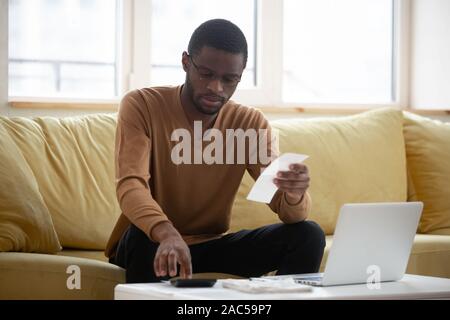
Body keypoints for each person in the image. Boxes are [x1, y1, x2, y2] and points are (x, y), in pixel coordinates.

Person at [106, 19, 325, 283]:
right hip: (151, 241)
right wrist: (166, 232)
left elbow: (291, 214)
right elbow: (130, 185)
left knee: (308, 235)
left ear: (241, 74)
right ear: (186, 62)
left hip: (211, 247)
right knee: (142, 235)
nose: (216, 88)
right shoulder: (141, 105)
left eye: (229, 79)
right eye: (206, 74)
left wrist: (293, 193)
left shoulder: (250, 124)